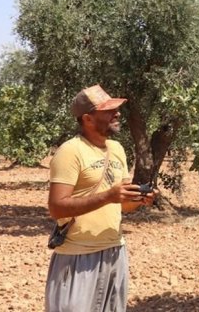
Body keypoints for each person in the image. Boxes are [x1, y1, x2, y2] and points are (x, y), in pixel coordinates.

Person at [45, 85, 157, 311]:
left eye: (116, 109)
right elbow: (57, 208)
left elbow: (122, 205)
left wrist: (140, 199)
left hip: (115, 251)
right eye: (108, 111)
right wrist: (107, 196)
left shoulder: (116, 149)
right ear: (87, 119)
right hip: (78, 256)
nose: (117, 114)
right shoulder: (70, 151)